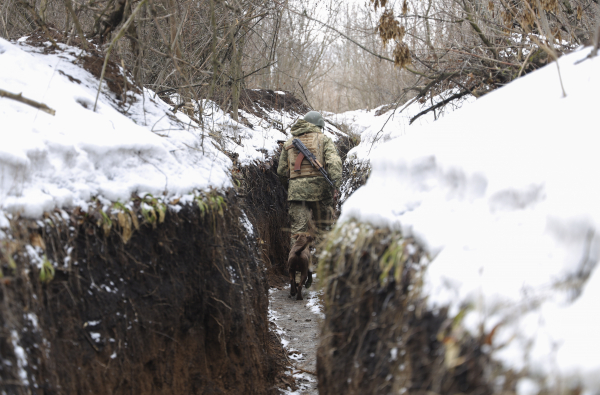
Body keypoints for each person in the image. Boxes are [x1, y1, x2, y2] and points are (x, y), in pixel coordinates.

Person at [277, 111, 342, 287]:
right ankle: (324, 271)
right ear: (319, 126)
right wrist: (336, 184)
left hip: (296, 193)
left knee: (298, 233)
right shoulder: (324, 139)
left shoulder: (289, 142)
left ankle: (297, 276)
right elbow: (334, 162)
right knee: (324, 229)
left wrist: (291, 188)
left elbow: (282, 172)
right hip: (321, 192)